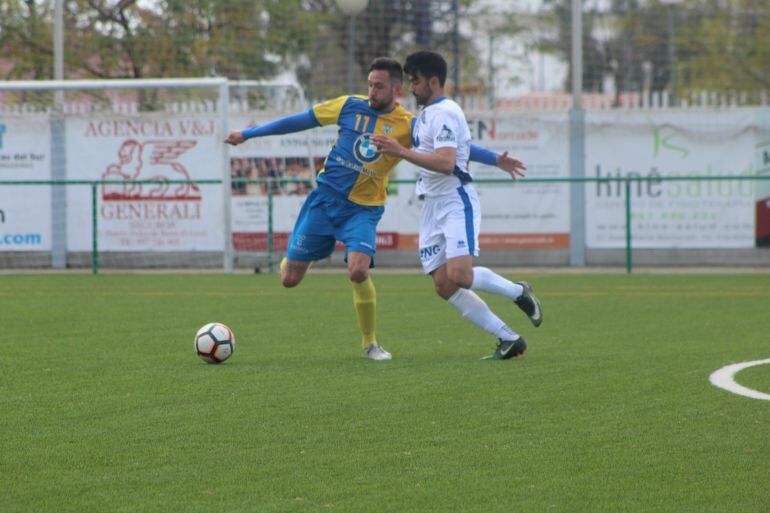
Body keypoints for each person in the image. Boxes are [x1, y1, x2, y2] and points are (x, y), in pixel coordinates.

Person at [225, 57, 520, 361]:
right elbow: (300, 120)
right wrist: (249, 134)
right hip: (325, 201)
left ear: (396, 89)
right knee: (289, 279)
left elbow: (455, 146)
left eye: (378, 86)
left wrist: (495, 159)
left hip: (363, 210)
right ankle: (309, 254)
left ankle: (370, 344)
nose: (372, 92)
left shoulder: (408, 125)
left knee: (357, 270)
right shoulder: (348, 106)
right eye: (370, 84)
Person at [371, 50, 543, 360]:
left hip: (454, 201)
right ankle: (509, 339)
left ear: (433, 81)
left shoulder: (445, 112)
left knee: (460, 275)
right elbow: (460, 147)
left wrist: (400, 151)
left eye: (415, 81)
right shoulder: (428, 114)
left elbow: (448, 162)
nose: (411, 87)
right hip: (432, 206)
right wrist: (494, 159)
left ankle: (519, 291)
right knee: (443, 284)